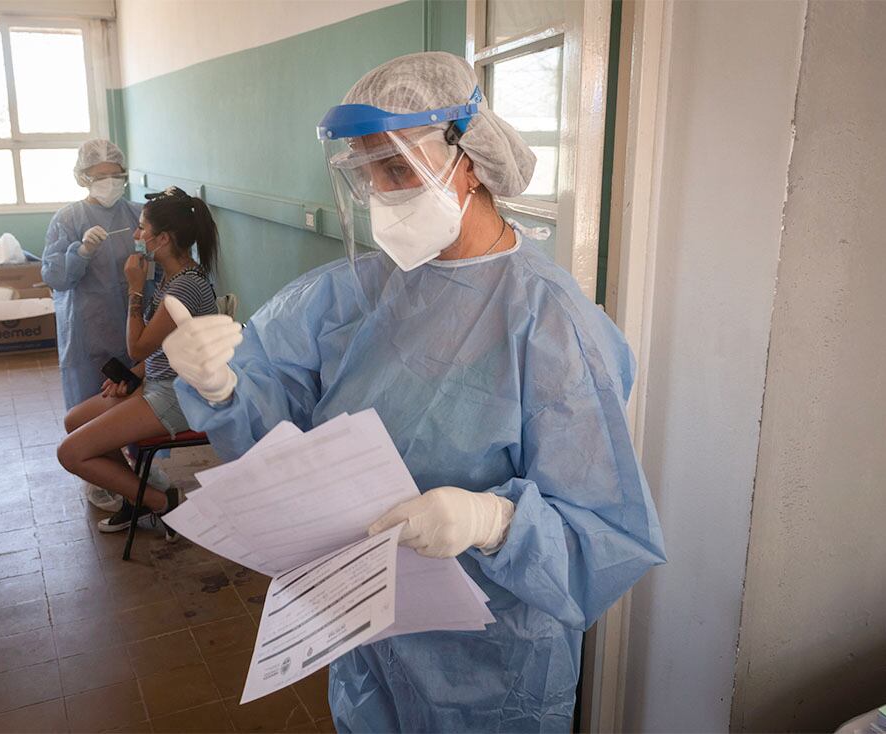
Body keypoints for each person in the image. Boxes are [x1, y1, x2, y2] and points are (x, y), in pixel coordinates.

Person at [161, 52, 666, 732]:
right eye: (368, 172)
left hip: (491, 669)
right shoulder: (356, 292)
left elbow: (604, 537)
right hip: (367, 635)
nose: (382, 194)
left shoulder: (552, 327)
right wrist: (221, 383)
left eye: (398, 167)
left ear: (473, 159)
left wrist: (494, 524)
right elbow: (278, 429)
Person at [56, 187, 221, 536]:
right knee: (75, 421)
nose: (135, 234)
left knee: (71, 454)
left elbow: (139, 346)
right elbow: (159, 352)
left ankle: (164, 504)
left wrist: (134, 287)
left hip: (181, 394)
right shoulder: (173, 277)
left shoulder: (184, 288)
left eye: (142, 228)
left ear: (162, 239)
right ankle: (140, 495)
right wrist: (132, 377)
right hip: (160, 381)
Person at [42, 140, 165, 512]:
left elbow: (160, 267)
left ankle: (137, 477)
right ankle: (106, 476)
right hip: (88, 326)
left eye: (116, 176)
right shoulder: (68, 219)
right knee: (90, 401)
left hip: (136, 324)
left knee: (133, 402)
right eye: (100, 177)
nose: (109, 183)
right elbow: (55, 277)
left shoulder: (139, 215)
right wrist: (78, 253)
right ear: (83, 178)